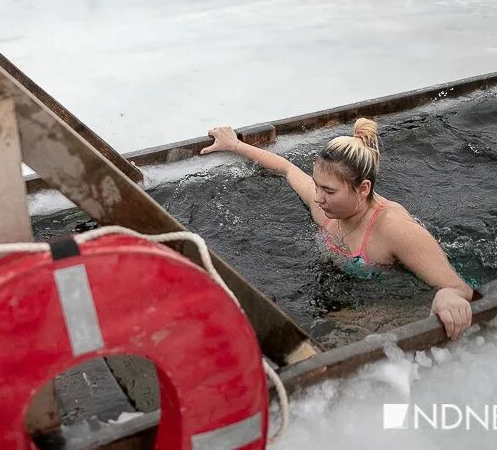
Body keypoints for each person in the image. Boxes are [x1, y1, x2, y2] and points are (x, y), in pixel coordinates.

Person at [200, 118, 475, 340]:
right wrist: (235, 145)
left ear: (363, 189)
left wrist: (448, 296)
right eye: (317, 185)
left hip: (401, 298)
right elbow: (287, 169)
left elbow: (457, 286)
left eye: (329, 191)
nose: (318, 197)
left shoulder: (395, 229)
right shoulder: (326, 207)